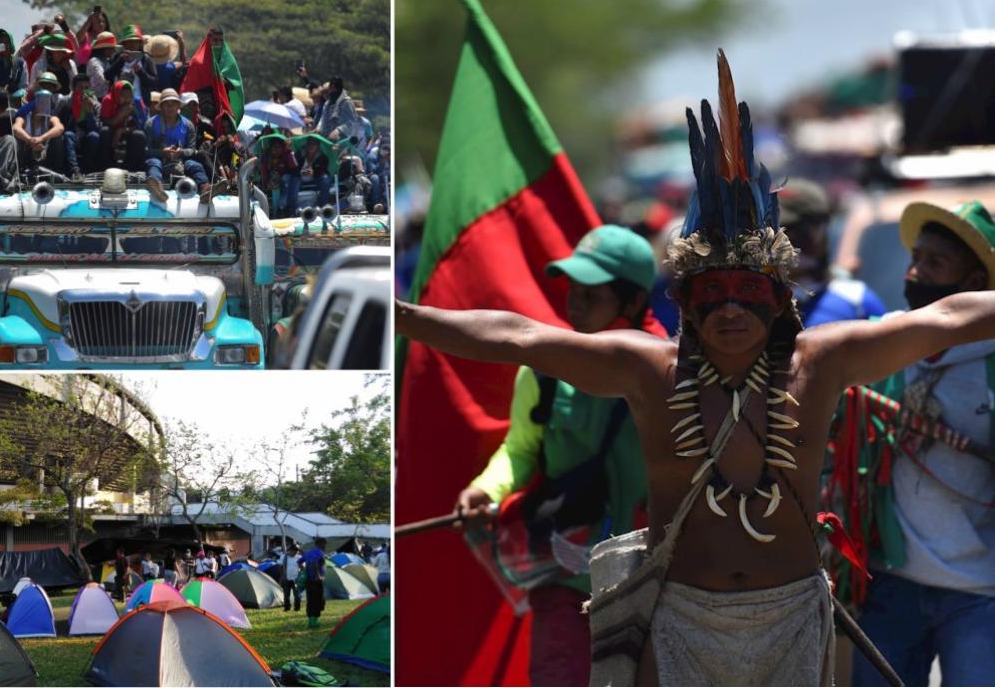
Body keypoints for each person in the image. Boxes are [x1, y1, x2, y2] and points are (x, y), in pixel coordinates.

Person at [395, 51, 995, 686]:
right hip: (678, 617)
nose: (730, 308)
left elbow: (951, 318)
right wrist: (405, 314)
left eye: (748, 291)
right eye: (712, 291)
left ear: (780, 298)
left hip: (791, 616)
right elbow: (519, 335)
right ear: (681, 298)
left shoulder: (820, 362)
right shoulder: (648, 370)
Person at [455, 224, 661, 685]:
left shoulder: (674, 371)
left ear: (632, 302)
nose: (574, 303)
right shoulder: (543, 370)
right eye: (573, 290)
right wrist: (486, 488)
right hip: (565, 579)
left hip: (656, 582)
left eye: (592, 294)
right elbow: (522, 448)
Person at [837, 200, 995, 687]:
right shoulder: (884, 350)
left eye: (935, 263)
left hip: (980, 591)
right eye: (916, 259)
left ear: (972, 285)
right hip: (891, 584)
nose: (916, 272)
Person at [777, 179, 886, 327]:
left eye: (794, 233)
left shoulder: (857, 300)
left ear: (821, 234)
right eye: (772, 231)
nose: (782, 243)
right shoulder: (751, 300)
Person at [144, 88, 210, 203]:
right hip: (159, 160)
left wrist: (181, 152)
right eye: (166, 104)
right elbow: (145, 151)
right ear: (161, 107)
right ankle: (158, 189)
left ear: (178, 106)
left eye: (173, 104)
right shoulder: (151, 123)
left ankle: (205, 189)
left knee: (195, 165)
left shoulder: (188, 125)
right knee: (154, 163)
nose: (170, 107)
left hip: (181, 162)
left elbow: (192, 149)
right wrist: (162, 152)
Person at [99, 80, 148, 173]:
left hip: (129, 130)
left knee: (139, 135)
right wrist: (121, 114)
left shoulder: (137, 101)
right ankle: (106, 166)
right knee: (105, 131)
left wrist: (122, 130)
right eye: (123, 96)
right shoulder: (108, 100)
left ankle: (131, 168)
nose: (127, 99)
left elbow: (142, 125)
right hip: (112, 128)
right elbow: (105, 122)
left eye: (130, 96)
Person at [314, 76, 362, 144]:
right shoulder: (328, 103)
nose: (330, 92)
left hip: (341, 141)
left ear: (334, 87)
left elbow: (352, 122)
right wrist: (318, 128)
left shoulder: (346, 102)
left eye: (331, 88)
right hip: (325, 139)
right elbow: (323, 118)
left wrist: (338, 130)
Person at [295, 138, 332, 209]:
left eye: (314, 144)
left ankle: (322, 207)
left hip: (315, 178)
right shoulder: (299, 154)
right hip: (300, 178)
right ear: (306, 144)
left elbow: (323, 170)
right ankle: (292, 209)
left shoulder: (322, 157)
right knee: (293, 181)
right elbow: (293, 168)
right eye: (309, 144)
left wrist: (314, 172)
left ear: (318, 146)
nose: (311, 146)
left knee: (326, 179)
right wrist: (301, 172)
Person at [302, 538, 328, 628]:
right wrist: (318, 575)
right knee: (318, 600)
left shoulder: (307, 552)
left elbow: (299, 562)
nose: (325, 546)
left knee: (310, 600)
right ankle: (314, 622)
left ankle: (311, 620)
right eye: (325, 544)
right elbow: (314, 563)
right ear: (321, 544)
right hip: (316, 581)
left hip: (308, 580)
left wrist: (304, 572)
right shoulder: (319, 552)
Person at [86, 31, 119, 98]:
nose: (114, 50)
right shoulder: (94, 61)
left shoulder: (108, 61)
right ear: (104, 49)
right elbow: (102, 78)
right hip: (95, 100)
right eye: (112, 48)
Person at [280, 543, 302, 612]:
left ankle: (297, 608)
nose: (296, 552)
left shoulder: (299, 558)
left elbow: (303, 568)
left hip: (296, 579)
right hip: (286, 579)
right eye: (294, 550)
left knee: (297, 596)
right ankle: (287, 608)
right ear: (290, 550)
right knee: (286, 596)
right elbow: (280, 567)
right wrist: (283, 576)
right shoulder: (284, 557)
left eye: (297, 550)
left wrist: (301, 565)